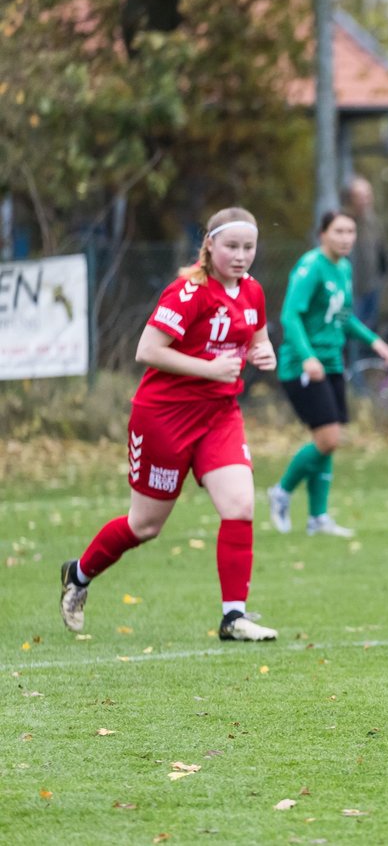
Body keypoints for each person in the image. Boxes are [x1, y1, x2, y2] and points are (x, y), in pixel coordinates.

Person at [58, 207, 279, 642]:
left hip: (219, 416)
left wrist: (264, 353)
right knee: (145, 526)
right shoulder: (187, 292)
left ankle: (233, 617)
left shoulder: (252, 292)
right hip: (164, 418)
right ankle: (79, 574)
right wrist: (207, 367)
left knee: (240, 506)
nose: (240, 256)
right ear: (209, 245)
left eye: (248, 247)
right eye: (231, 246)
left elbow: (258, 337)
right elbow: (148, 349)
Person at [267, 211, 388, 538]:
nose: (346, 237)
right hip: (302, 367)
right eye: (339, 231)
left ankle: (317, 518)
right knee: (328, 438)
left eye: (351, 231)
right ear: (323, 233)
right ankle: (281, 491)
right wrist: (308, 358)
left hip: (332, 364)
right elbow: (290, 316)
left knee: (327, 442)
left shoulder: (343, 267)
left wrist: (374, 341)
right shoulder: (311, 267)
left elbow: (344, 316)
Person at [344, 176, 388, 329]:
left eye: (367, 195)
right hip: (351, 290)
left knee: (369, 328)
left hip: (372, 286)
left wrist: (384, 276)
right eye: (360, 196)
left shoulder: (373, 222)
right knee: (352, 330)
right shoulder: (344, 222)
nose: (365, 200)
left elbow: (381, 250)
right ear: (351, 199)